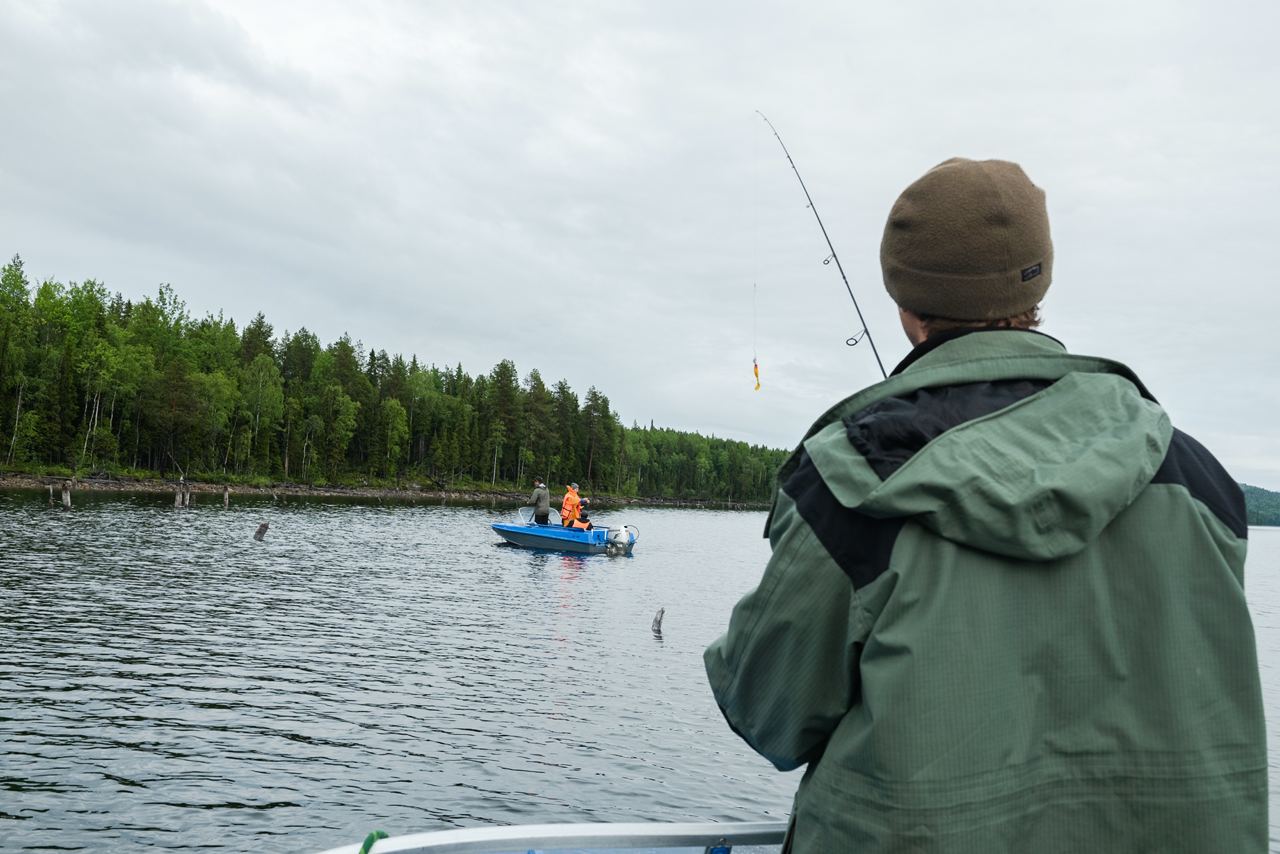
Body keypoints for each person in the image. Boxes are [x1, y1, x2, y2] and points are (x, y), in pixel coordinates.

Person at [703, 158, 1265, 852]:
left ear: (907, 308)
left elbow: (768, 713)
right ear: (1039, 284)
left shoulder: (852, 483)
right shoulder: (1202, 485)